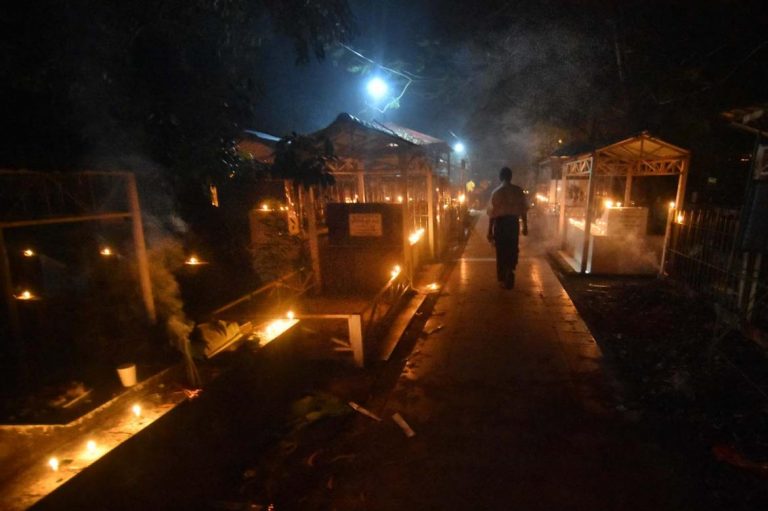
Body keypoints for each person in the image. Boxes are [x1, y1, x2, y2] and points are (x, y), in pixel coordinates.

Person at [487, 167, 528, 289]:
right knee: (512, 247)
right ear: (511, 177)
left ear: (500, 177)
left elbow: (492, 214)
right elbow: (523, 210)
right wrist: (525, 226)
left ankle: (502, 277)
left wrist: (489, 231)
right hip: (513, 224)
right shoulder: (518, 191)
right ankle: (510, 269)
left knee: (501, 250)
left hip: (500, 224)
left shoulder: (496, 192)